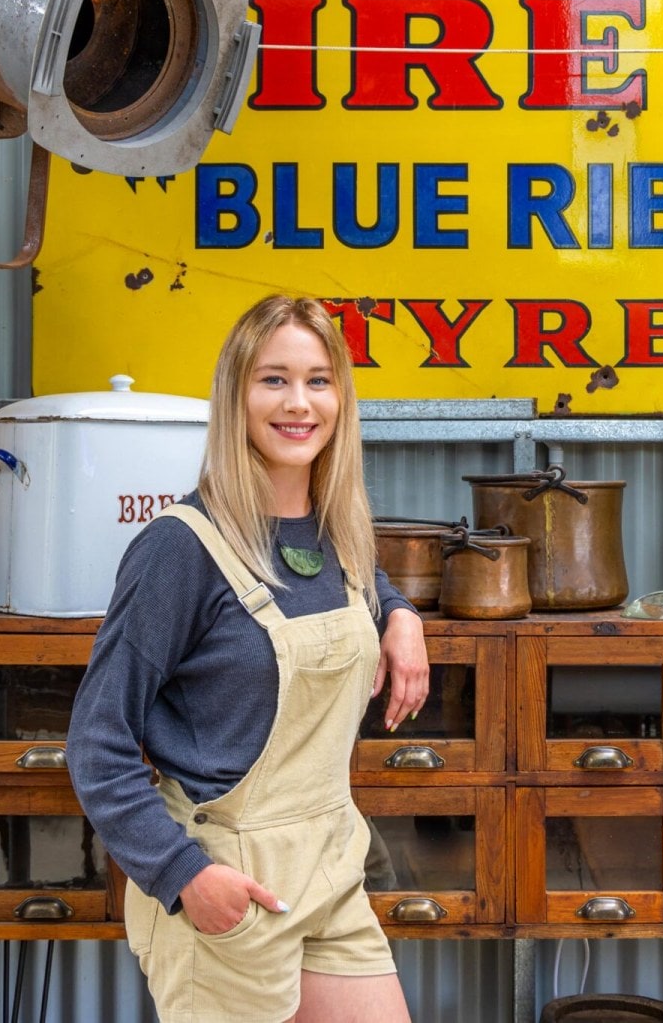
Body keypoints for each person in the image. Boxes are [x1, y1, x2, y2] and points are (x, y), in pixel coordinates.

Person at [68, 294, 429, 1023]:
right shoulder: (180, 549)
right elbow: (96, 742)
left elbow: (340, 584)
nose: (299, 402)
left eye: (318, 380)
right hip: (231, 879)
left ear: (342, 398)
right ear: (237, 394)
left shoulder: (337, 531)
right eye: (274, 379)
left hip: (331, 862)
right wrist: (185, 877)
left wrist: (399, 612)